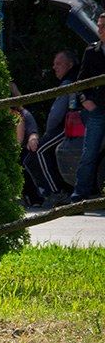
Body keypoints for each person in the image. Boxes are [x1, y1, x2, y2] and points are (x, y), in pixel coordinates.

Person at [24, 51, 78, 208]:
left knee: (39, 150)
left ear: (69, 65)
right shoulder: (71, 79)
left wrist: (48, 132)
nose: (54, 67)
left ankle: (57, 193)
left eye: (58, 64)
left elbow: (57, 114)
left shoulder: (69, 82)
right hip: (65, 127)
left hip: (65, 128)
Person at [73, 13, 105, 204]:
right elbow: (80, 83)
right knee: (89, 155)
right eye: (99, 26)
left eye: (103, 26)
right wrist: (86, 101)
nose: (100, 30)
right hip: (98, 110)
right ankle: (79, 198)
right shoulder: (92, 51)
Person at [11, 101, 42, 206]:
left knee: (21, 164)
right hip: (5, 149)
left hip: (21, 147)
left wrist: (33, 139)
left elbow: (22, 139)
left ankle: (35, 197)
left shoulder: (21, 115)